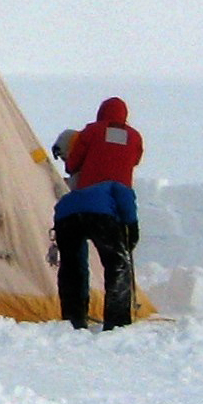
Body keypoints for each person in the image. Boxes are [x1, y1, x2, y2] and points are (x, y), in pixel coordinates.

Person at [55, 97, 145, 330]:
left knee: (72, 267)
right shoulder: (133, 139)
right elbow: (125, 197)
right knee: (117, 265)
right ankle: (116, 323)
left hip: (68, 211)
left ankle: (74, 319)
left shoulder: (91, 131)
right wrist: (131, 229)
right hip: (102, 214)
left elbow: (73, 163)